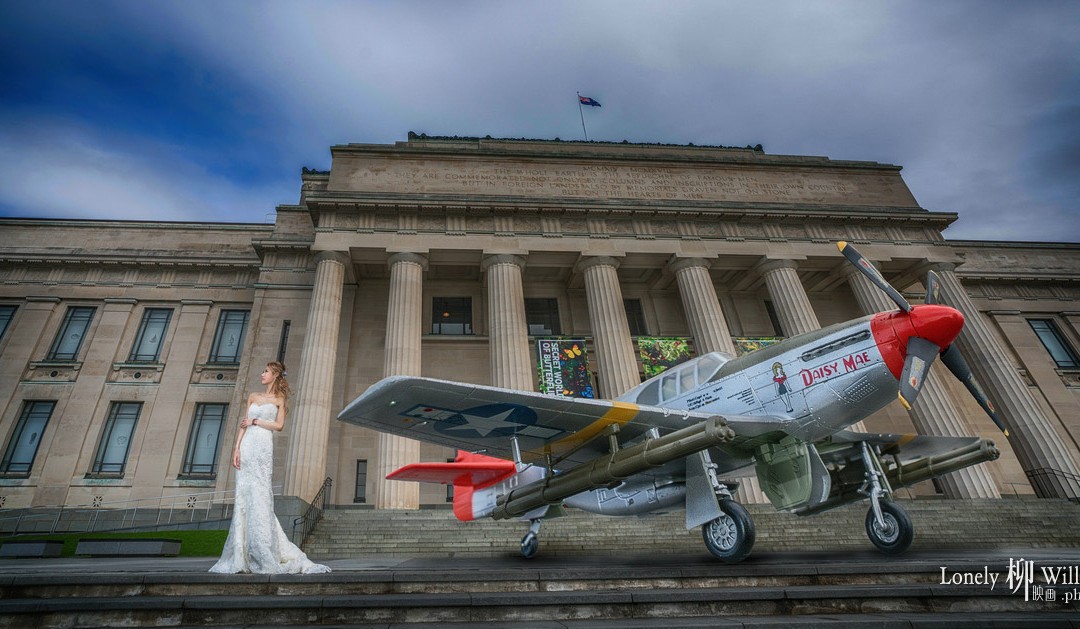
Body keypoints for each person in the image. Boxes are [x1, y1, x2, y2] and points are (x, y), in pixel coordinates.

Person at [209, 361, 330, 574]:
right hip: (247, 445)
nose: (262, 374)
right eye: (262, 370)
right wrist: (236, 448)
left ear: (274, 375)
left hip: (263, 445)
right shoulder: (253, 396)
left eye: (265, 371)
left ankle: (263, 548)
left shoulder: (279, 400)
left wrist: (256, 421)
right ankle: (241, 553)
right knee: (244, 496)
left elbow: (279, 426)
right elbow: (243, 424)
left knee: (261, 494)